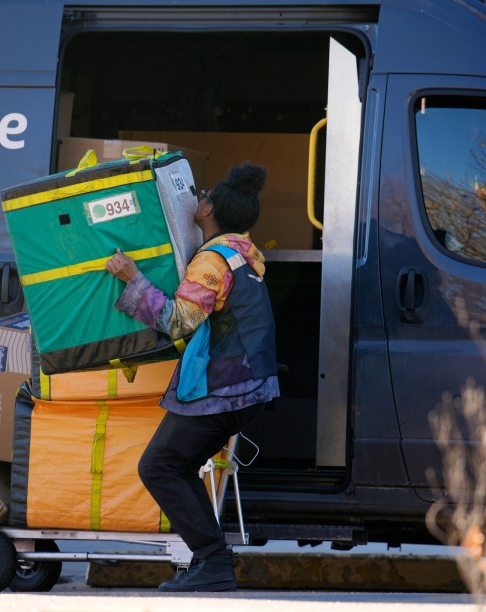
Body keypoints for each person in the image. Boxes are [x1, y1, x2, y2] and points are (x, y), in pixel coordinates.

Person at [105, 161, 279, 592]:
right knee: (175, 465)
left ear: (207, 211)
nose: (195, 200)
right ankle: (212, 560)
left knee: (159, 466)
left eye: (201, 196)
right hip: (249, 385)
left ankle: (213, 561)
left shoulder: (211, 261)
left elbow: (178, 320)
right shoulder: (244, 253)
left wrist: (133, 278)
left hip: (226, 389)